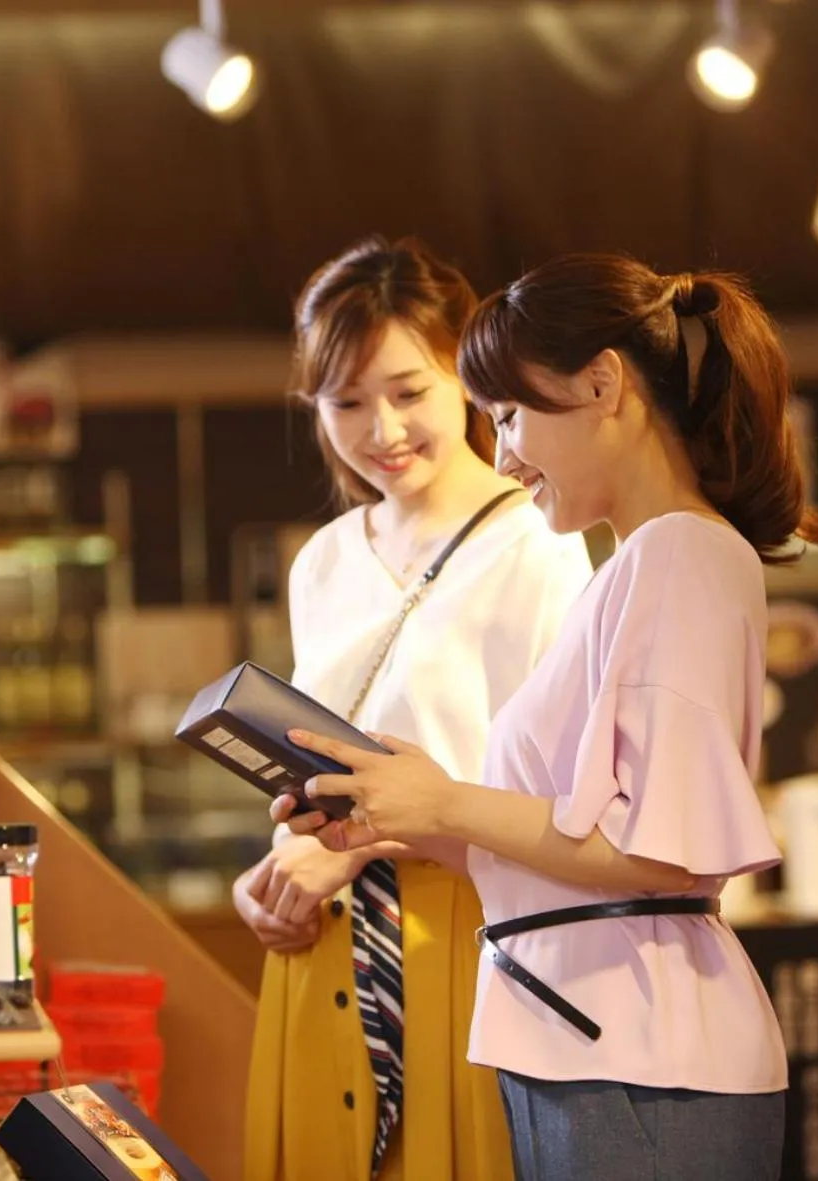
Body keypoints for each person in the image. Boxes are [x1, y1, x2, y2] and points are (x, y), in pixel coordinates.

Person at [280, 253, 818, 1180]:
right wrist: (398, 808)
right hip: (586, 1035)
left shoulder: (681, 554)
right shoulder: (643, 563)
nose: (502, 453)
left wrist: (447, 804)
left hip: (638, 1050)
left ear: (603, 384)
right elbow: (573, 851)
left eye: (510, 415)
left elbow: (666, 853)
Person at [236, 236, 593, 1181]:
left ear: (465, 376)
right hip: (327, 942)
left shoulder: (538, 544)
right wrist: (272, 872)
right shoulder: (322, 560)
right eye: (345, 402)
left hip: (468, 933)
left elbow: (555, 792)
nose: (381, 429)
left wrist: (361, 842)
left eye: (408, 390)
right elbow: (322, 761)